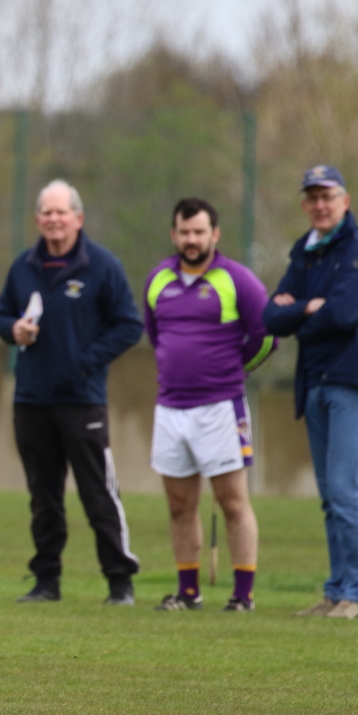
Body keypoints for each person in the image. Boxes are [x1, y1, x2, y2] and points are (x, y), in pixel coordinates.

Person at [0, 179, 144, 605]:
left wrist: (85, 361)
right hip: (31, 399)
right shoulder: (24, 266)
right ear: (37, 219)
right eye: (46, 212)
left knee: (99, 493)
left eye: (62, 212)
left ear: (78, 218)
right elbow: (1, 317)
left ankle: (120, 582)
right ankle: (46, 582)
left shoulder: (102, 266)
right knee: (44, 497)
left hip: (83, 401)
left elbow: (129, 325)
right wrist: (14, 330)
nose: (54, 219)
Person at [263, 165, 358, 620]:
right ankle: (338, 590)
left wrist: (299, 313)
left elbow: (343, 314)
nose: (320, 205)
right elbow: (270, 319)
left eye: (328, 196)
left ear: (345, 201)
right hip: (314, 379)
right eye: (312, 197)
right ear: (305, 205)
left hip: (353, 378)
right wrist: (306, 308)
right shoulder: (305, 252)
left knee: (343, 486)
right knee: (328, 492)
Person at [143, 198, 276, 613]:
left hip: (221, 407)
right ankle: (188, 592)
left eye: (200, 232)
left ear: (214, 234)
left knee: (232, 501)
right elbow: (155, 335)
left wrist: (237, 372)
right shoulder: (157, 280)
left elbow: (266, 335)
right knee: (179, 503)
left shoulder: (237, 280)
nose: (192, 239)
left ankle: (243, 595)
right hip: (170, 408)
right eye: (185, 232)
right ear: (174, 234)